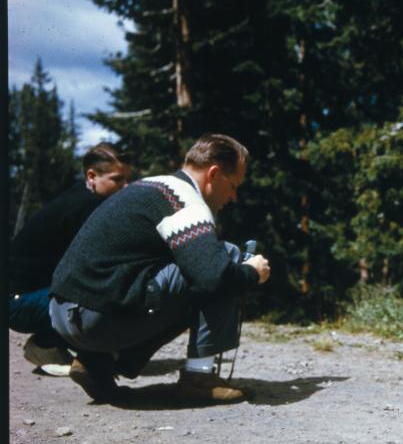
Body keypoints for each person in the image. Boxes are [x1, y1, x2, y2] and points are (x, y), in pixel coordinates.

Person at [49, 133, 270, 404]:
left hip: (62, 313)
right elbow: (214, 277)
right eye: (234, 185)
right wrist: (251, 272)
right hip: (93, 317)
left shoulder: (150, 186)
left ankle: (98, 363)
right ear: (213, 174)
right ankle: (199, 378)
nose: (233, 197)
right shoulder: (186, 201)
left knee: (190, 272)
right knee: (227, 256)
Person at [9, 143, 133, 376]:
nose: (126, 187)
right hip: (18, 302)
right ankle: (46, 345)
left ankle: (54, 342)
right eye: (118, 179)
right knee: (102, 292)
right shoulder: (86, 206)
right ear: (92, 176)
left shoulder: (84, 197)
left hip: (28, 295)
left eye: (129, 179)